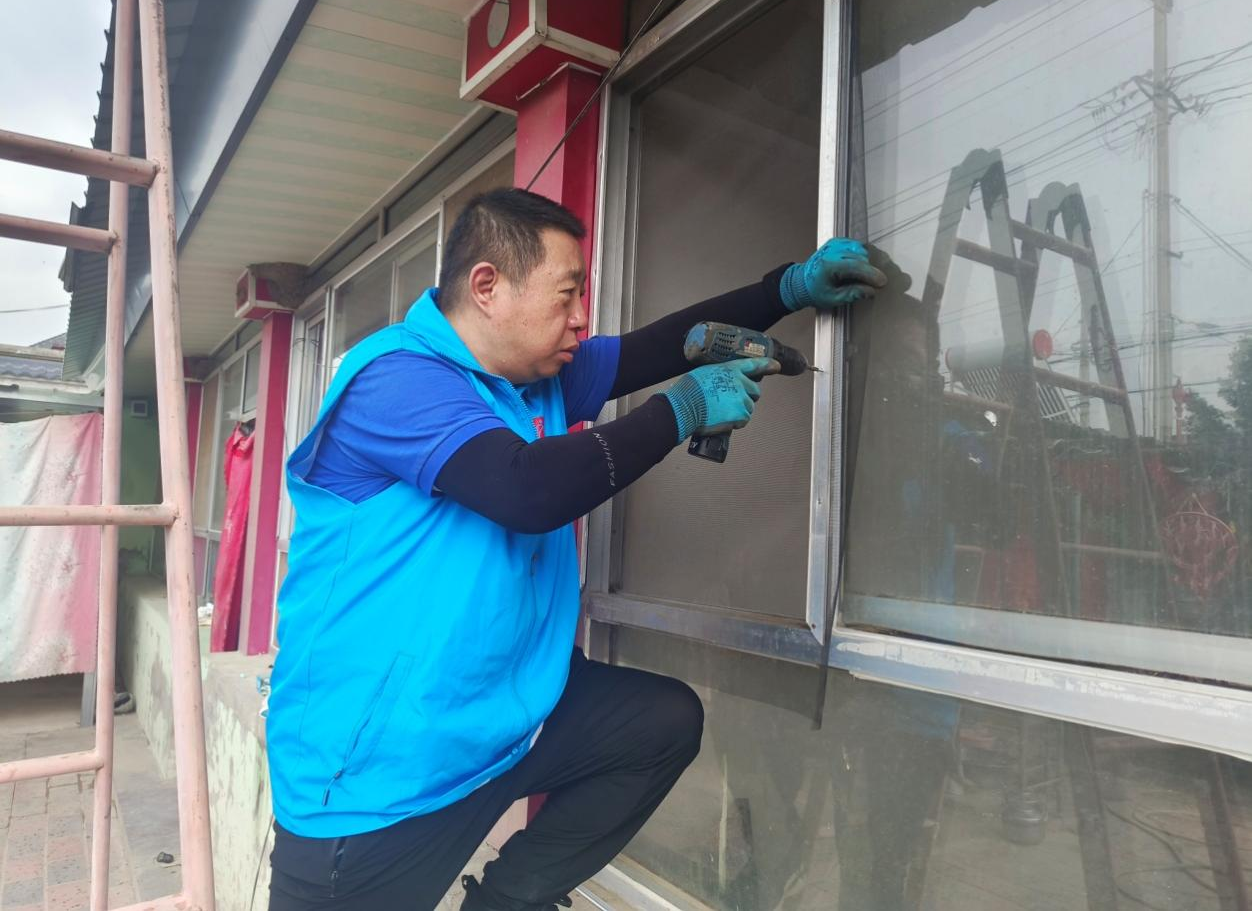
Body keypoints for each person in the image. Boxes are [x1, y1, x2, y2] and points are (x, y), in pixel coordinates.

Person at [265, 187, 886, 911]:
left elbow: (662, 344)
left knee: (659, 725)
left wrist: (788, 288)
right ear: (488, 287)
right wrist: (682, 408)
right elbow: (526, 490)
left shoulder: (538, 380)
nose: (582, 316)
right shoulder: (394, 378)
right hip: (381, 775)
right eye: (567, 294)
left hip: (506, 718)